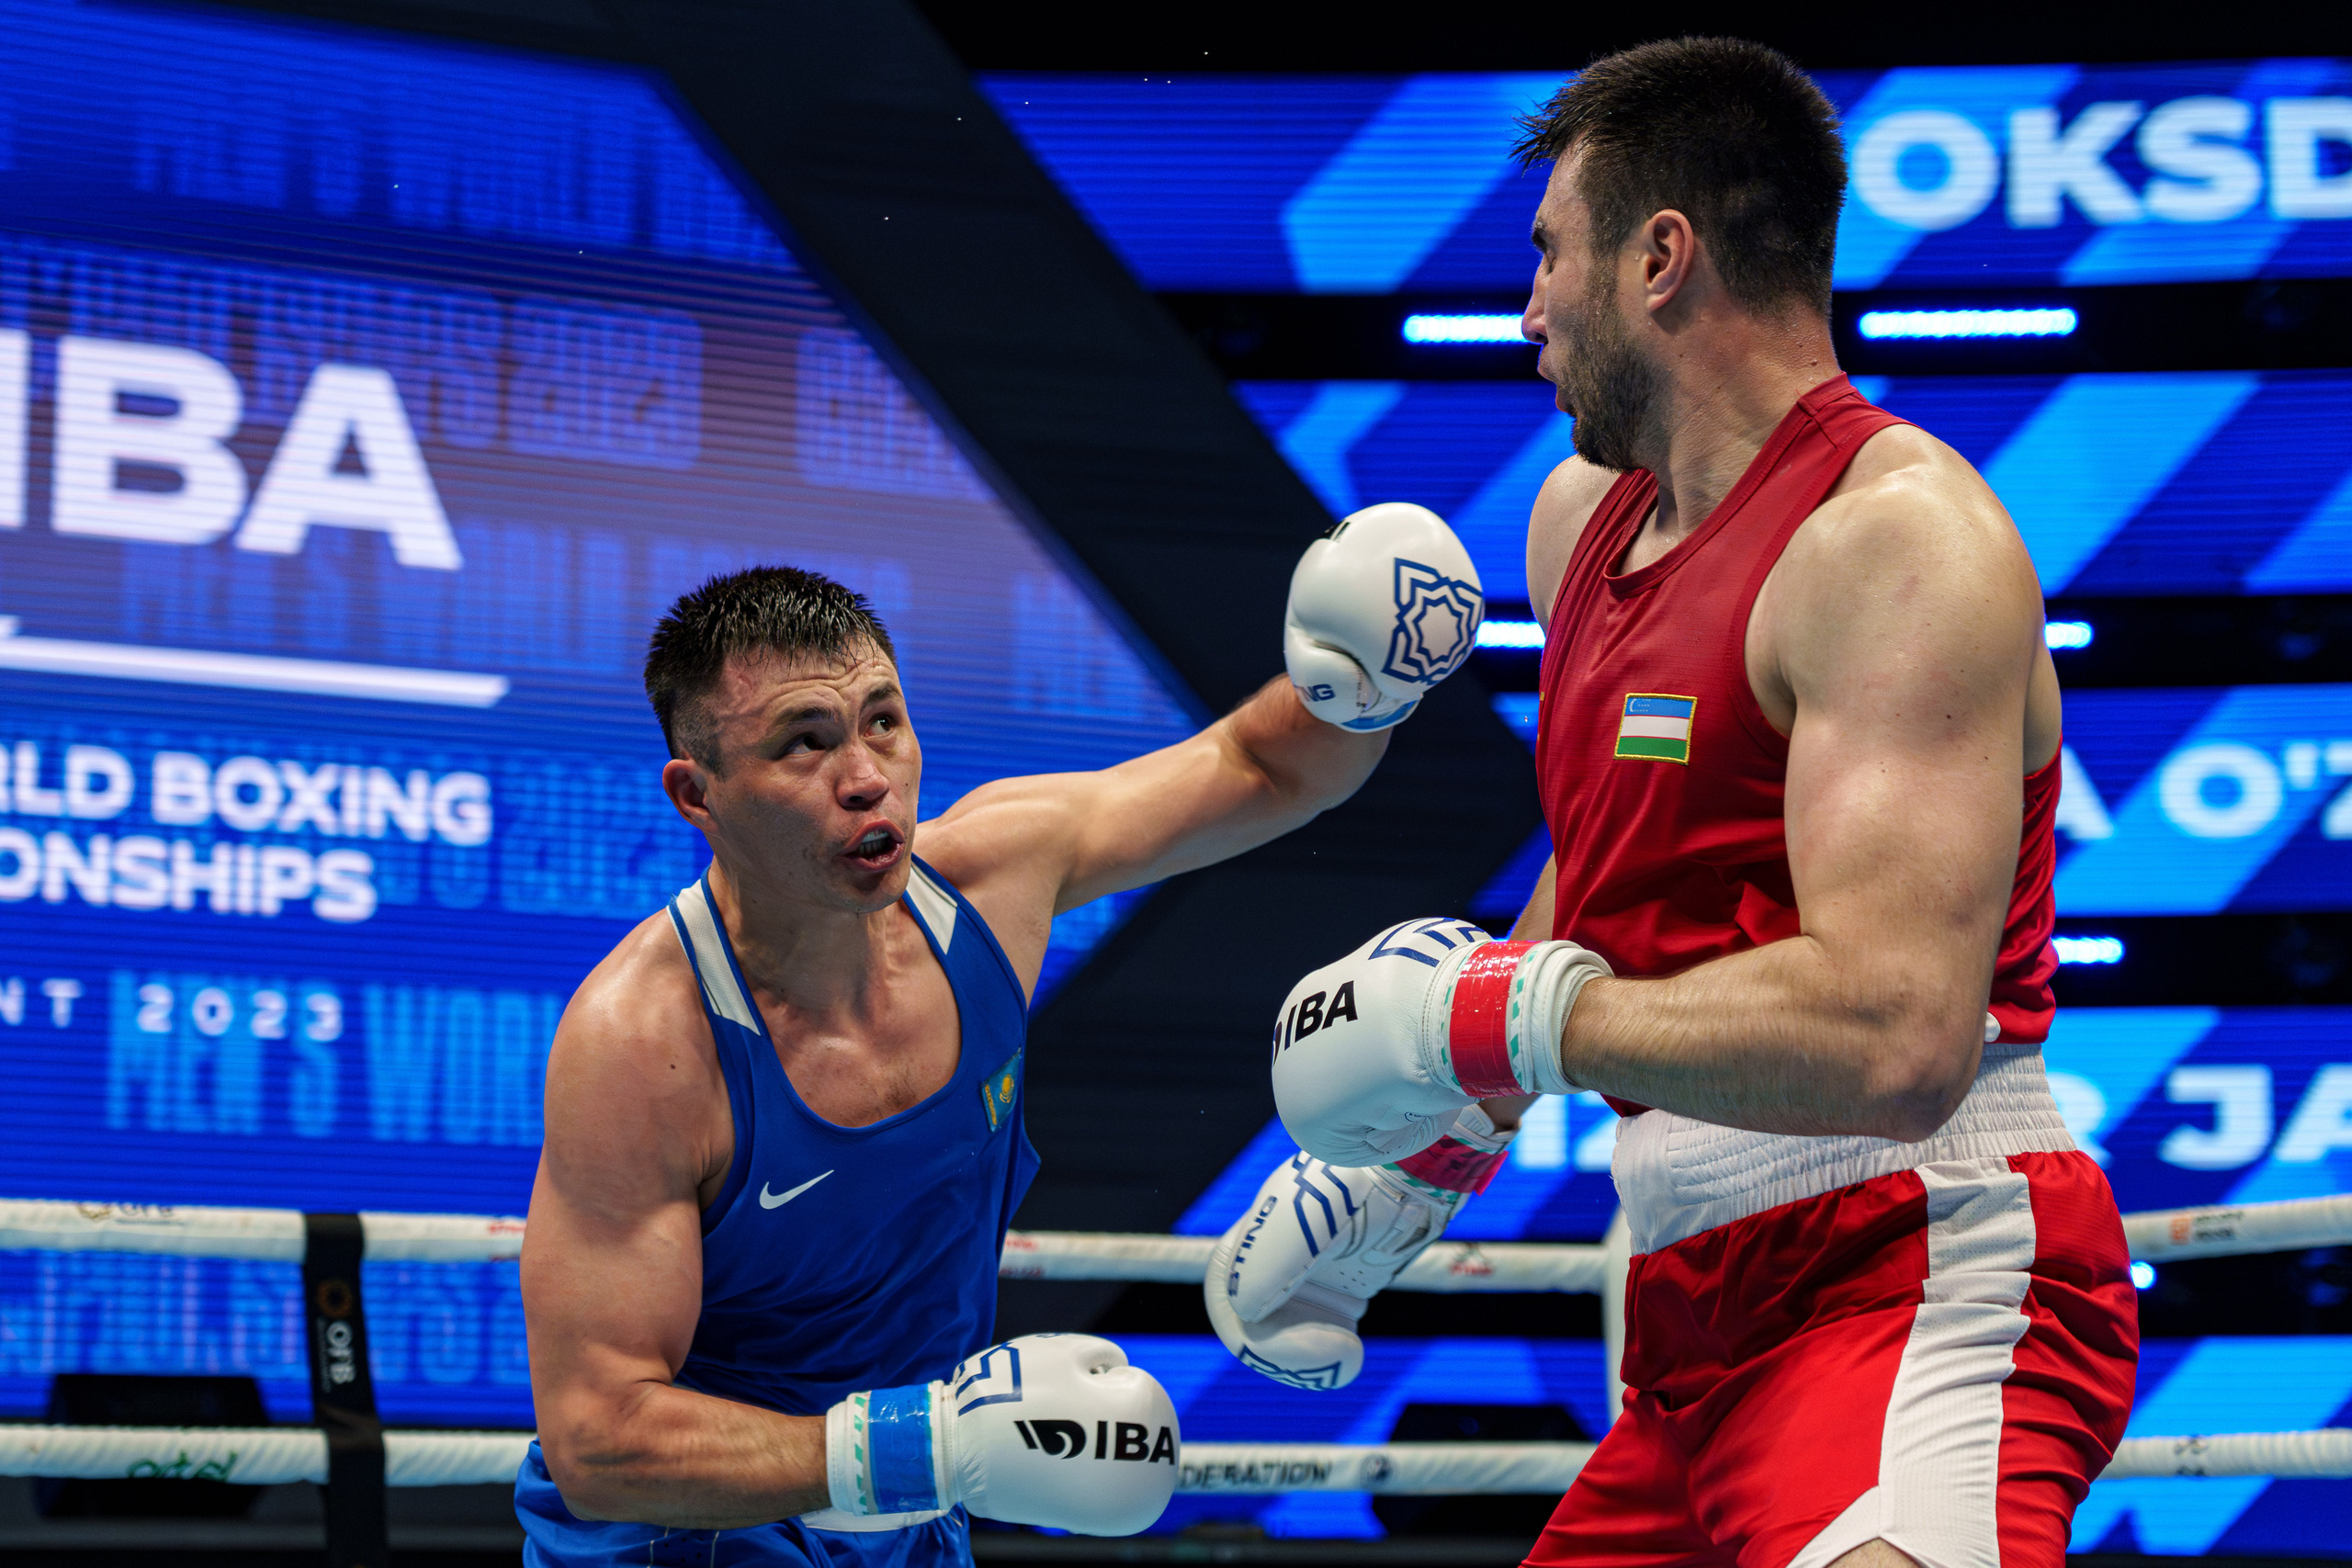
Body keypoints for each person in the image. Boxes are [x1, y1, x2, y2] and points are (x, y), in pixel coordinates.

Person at [1249, 38, 2138, 1568]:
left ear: (1661, 259)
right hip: (1683, 1312)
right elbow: (1600, 897)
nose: (1529, 311)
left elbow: (1898, 1036)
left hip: (1913, 1265)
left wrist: (1489, 1016)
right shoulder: (1578, 522)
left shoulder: (1897, 542)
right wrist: (1418, 1162)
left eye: (1549, 256)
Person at [518, 500, 1484, 1566]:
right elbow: (600, 1440)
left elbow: (1264, 770)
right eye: (805, 743)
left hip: (911, 1513)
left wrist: (1361, 678)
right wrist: (923, 1447)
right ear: (696, 796)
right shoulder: (643, 1043)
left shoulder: (989, 882)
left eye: (882, 720)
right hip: (689, 1536)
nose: (865, 777)